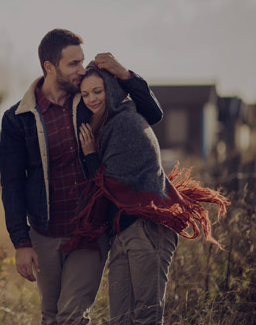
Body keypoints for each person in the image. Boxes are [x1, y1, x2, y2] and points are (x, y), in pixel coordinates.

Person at [0, 28, 164, 324]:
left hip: (88, 231)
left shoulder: (89, 100)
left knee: (72, 315)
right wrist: (21, 241)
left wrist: (124, 73)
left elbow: (150, 113)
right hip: (44, 232)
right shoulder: (18, 118)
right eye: (73, 63)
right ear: (50, 67)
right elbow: (11, 183)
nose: (82, 69)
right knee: (51, 316)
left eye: (82, 61)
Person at [72, 62, 229, 324]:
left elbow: (107, 185)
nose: (91, 99)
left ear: (110, 89)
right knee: (120, 319)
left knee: (147, 318)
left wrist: (89, 156)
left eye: (97, 91)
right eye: (85, 94)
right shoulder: (108, 125)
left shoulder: (125, 123)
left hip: (146, 229)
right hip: (124, 230)